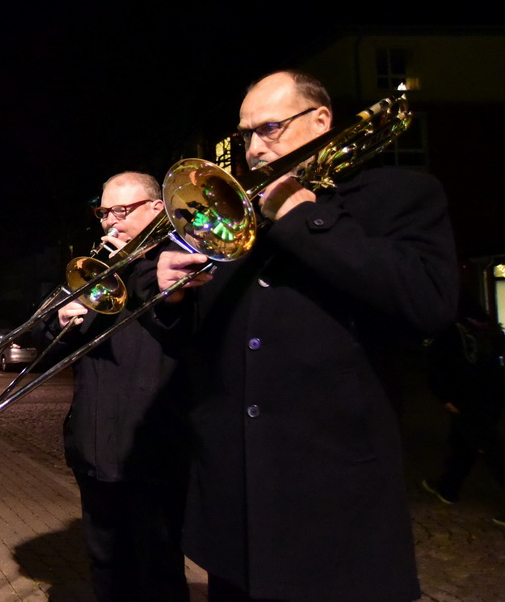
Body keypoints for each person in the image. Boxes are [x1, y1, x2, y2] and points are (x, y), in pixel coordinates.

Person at [156, 70, 459, 601]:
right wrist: (176, 300)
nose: (252, 148)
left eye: (269, 128)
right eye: (244, 135)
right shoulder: (236, 219)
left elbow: (427, 303)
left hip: (333, 501)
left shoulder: (398, 194)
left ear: (320, 120)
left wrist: (304, 216)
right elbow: (205, 344)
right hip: (235, 502)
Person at [53, 172, 189, 601]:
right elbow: (53, 350)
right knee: (106, 566)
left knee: (158, 572)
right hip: (93, 447)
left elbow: (185, 330)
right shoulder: (101, 269)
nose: (111, 222)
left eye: (122, 211)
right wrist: (61, 322)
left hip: (152, 451)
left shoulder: (179, 261)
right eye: (104, 212)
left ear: (156, 208)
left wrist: (143, 269)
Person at [421, 289, 505, 525]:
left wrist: (444, 396)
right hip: (490, 397)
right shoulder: (489, 328)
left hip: (466, 399)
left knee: (490, 449)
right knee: (463, 442)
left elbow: (437, 364)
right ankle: (448, 486)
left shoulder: (451, 330)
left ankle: (448, 486)